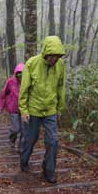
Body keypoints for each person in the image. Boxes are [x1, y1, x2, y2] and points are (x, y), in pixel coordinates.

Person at [19, 36, 65, 184]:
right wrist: (24, 110)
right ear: (46, 53)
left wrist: (59, 108)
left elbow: (60, 87)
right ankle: (24, 160)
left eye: (57, 57)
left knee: (53, 141)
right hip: (33, 109)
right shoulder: (32, 63)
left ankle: (49, 170)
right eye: (53, 56)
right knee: (30, 139)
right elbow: (24, 88)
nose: (55, 59)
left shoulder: (60, 65)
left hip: (50, 109)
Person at [0, 63, 25, 151]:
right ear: (15, 73)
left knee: (24, 130)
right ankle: (12, 139)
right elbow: (3, 94)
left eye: (22, 74)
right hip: (13, 109)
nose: (20, 76)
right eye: (18, 74)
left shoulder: (28, 82)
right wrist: (1, 107)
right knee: (15, 128)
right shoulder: (10, 82)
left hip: (24, 110)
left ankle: (21, 147)